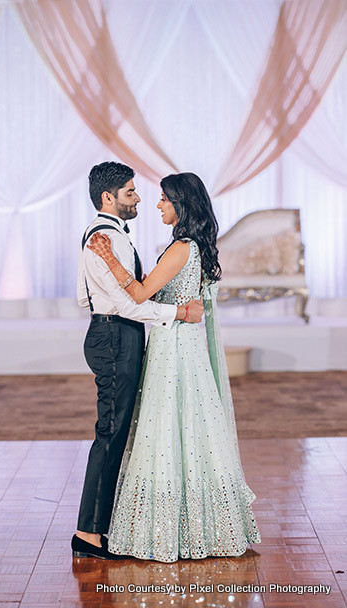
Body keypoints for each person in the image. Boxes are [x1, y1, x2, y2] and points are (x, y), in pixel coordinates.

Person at [87, 172, 262, 562]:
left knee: (168, 427)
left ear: (182, 205)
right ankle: (196, 524)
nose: (158, 204)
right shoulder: (187, 246)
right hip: (178, 343)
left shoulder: (181, 248)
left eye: (165, 199)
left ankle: (170, 530)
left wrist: (107, 256)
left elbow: (137, 292)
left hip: (175, 349)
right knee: (187, 428)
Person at [71, 162, 204, 560]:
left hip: (113, 333)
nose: (140, 199)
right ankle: (88, 535)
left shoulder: (103, 237)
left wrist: (103, 308)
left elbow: (88, 295)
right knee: (110, 434)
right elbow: (129, 302)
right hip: (114, 337)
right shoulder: (106, 239)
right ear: (107, 198)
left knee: (117, 433)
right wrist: (177, 314)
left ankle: (98, 530)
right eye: (131, 192)